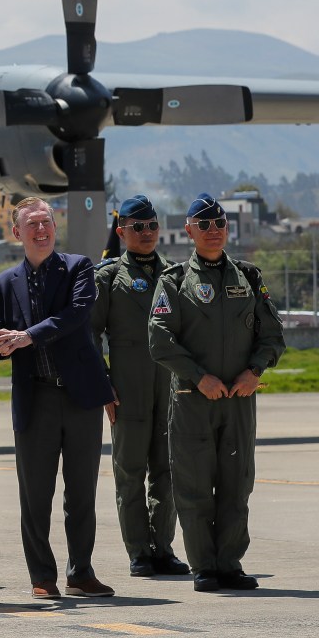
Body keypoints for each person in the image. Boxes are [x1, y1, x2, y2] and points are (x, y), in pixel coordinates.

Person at [148, 194, 284, 592]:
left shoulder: (249, 277)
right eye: (203, 225)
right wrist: (198, 376)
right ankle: (204, 566)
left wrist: (254, 371)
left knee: (236, 483)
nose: (213, 232)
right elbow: (160, 341)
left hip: (239, 400)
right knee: (193, 485)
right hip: (193, 399)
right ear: (188, 230)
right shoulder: (173, 281)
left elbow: (272, 335)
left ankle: (230, 563)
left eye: (220, 224)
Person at [0, 196, 116, 599]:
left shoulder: (79, 267)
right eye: (32, 225)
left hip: (80, 397)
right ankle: (42, 577)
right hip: (35, 398)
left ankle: (80, 571)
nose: (41, 230)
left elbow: (77, 313)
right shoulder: (3, 284)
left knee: (81, 492)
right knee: (35, 494)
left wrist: (28, 336)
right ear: (17, 233)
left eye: (46, 222)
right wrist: (0, 346)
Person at [91, 195, 190, 578]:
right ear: (122, 232)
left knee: (168, 469)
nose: (146, 233)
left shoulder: (177, 275)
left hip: (170, 384)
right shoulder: (108, 276)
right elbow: (90, 334)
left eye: (151, 226)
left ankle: (163, 548)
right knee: (129, 470)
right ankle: (139, 551)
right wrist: (103, 385)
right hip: (127, 384)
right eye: (137, 227)